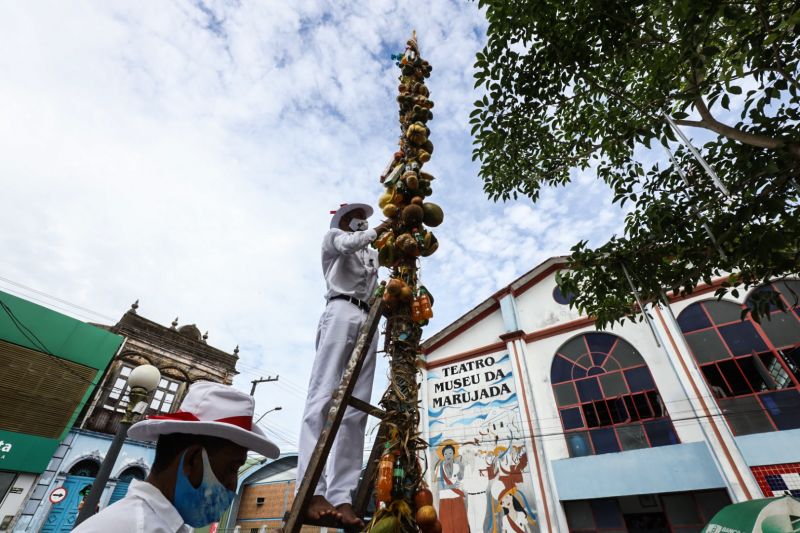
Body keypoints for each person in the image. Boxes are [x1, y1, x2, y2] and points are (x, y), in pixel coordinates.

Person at [73, 381, 280, 532]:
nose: (232, 485)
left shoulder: (165, 526)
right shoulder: (126, 527)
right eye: (232, 468)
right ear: (192, 461)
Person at [296, 203, 389, 527]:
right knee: (323, 398)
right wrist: (381, 229)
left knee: (356, 411)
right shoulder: (334, 238)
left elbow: (380, 273)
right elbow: (350, 244)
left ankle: (342, 496)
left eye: (363, 217)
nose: (361, 221)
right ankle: (311, 492)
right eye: (354, 217)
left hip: (368, 316)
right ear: (343, 220)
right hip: (339, 312)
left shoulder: (373, 252)